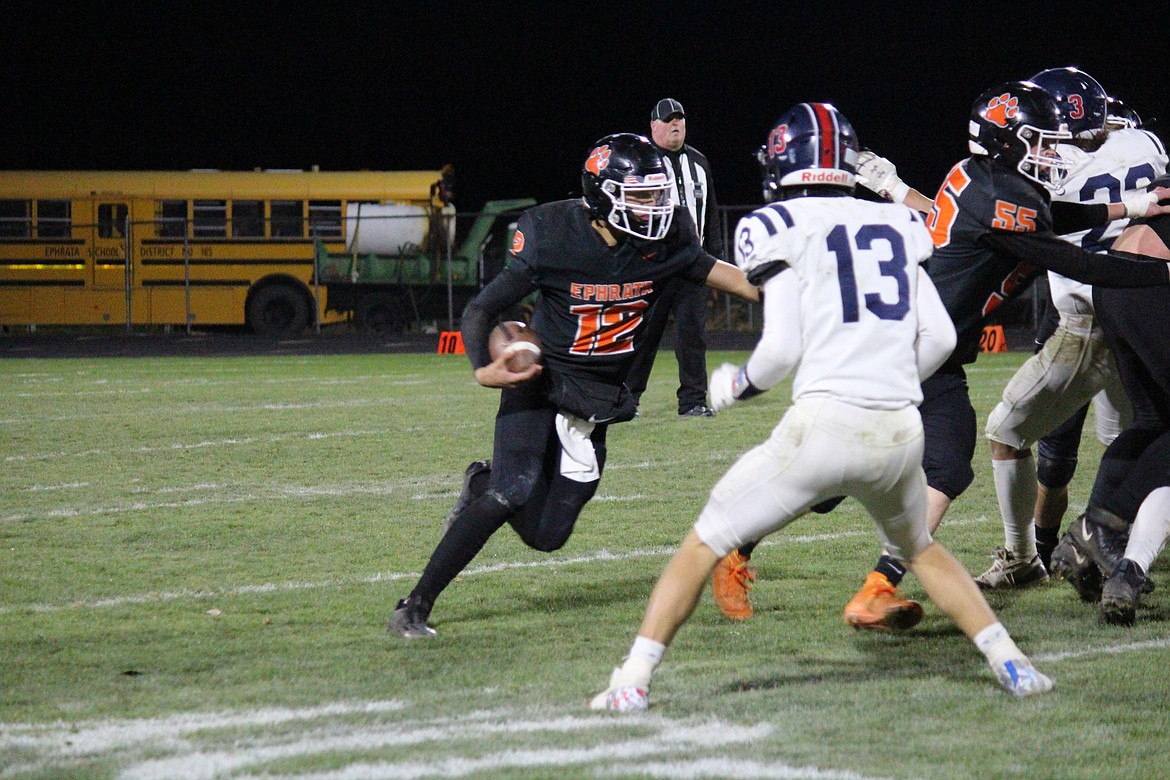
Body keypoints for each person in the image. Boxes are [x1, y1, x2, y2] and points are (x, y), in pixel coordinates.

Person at [589, 103, 1055, 711]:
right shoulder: (898, 223)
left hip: (825, 424)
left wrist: (736, 385)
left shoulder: (772, 223)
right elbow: (939, 339)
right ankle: (1012, 664)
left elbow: (781, 349)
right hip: (898, 429)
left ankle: (631, 680)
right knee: (920, 546)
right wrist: (888, 380)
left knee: (701, 543)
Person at [711, 82, 1170, 628]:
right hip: (898, 346)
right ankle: (746, 546)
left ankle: (874, 586)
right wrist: (1160, 270)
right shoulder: (1005, 197)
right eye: (1044, 143)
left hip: (924, 347)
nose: (1054, 154)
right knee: (857, 472)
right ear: (1012, 142)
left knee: (934, 465)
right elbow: (1079, 262)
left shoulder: (989, 182)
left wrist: (1128, 205)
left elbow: (1050, 213)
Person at [388, 133, 760, 638]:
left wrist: (804, 298)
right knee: (511, 490)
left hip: (598, 397)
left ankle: (477, 481)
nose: (654, 207)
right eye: (641, 195)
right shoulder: (553, 232)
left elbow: (734, 279)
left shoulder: (667, 241)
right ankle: (415, 604)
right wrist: (483, 368)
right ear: (603, 195)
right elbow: (482, 309)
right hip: (540, 379)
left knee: (548, 536)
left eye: (657, 194)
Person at [978, 68, 1167, 589]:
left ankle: (1030, 557)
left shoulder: (1049, 166)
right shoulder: (1142, 143)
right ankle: (1121, 549)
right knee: (1141, 436)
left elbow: (1017, 226)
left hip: (1086, 319)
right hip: (1146, 304)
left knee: (1009, 431)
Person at [1052, 190, 1170, 623]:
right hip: (1152, 281)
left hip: (1115, 281)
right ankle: (1104, 526)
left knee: (1155, 419)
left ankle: (1090, 534)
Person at [623, 98, 724, 417]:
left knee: (693, 337)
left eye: (680, 118)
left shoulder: (699, 161)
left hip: (693, 264)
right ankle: (626, 400)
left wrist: (717, 262)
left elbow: (711, 215)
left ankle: (693, 401)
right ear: (653, 126)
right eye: (668, 120)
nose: (676, 124)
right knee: (642, 335)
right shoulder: (641, 162)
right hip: (651, 264)